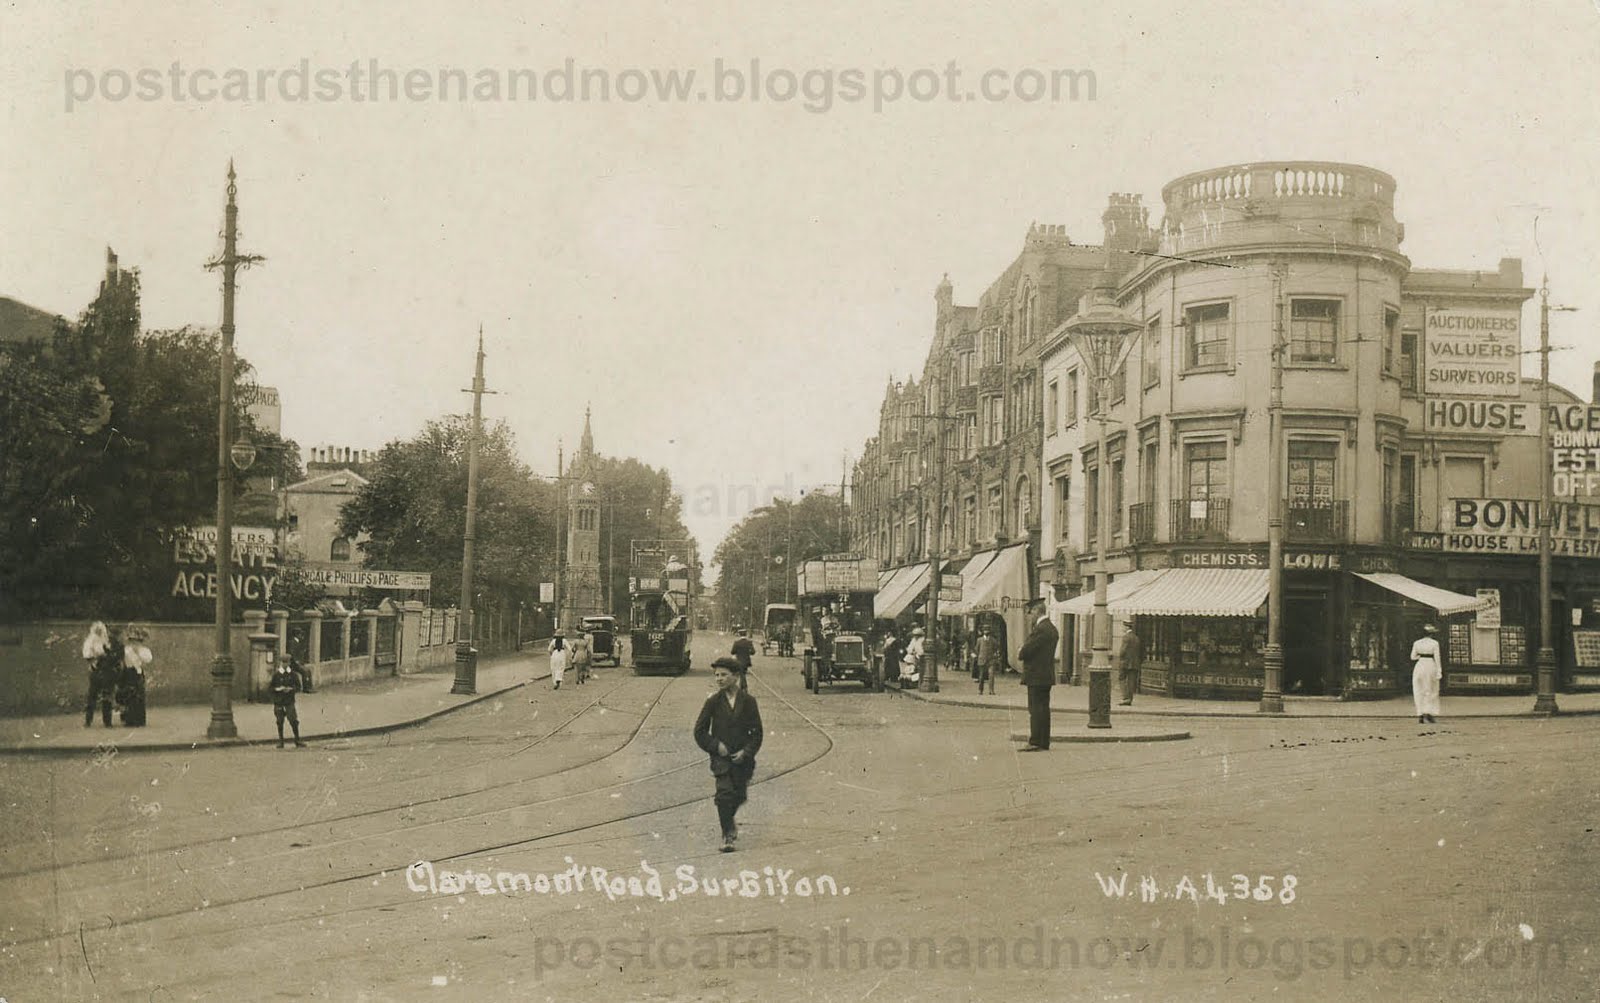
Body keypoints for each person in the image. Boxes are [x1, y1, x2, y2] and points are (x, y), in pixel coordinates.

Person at [694, 657, 764, 852]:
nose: (719, 679)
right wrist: (716, 746)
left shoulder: (749, 701)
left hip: (743, 761)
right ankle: (727, 836)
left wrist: (746, 752)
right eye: (716, 675)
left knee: (739, 796)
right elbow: (699, 731)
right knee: (724, 794)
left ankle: (729, 822)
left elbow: (757, 733)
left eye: (724, 675)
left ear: (736, 676)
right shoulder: (713, 702)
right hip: (721, 760)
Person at [1017, 598, 1059, 751]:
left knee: (1035, 709)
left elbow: (1025, 651)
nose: (1030, 616)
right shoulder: (1051, 628)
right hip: (1045, 675)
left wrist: (1021, 650)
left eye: (1031, 612)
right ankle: (1043, 741)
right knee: (1043, 709)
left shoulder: (1041, 629)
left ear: (1037, 611)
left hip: (1036, 675)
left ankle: (1035, 741)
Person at [83, 622, 122, 728]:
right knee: (93, 696)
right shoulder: (93, 641)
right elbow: (88, 654)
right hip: (97, 671)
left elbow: (115, 657)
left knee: (106, 697)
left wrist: (105, 653)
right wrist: (93, 661)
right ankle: (88, 720)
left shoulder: (110, 643)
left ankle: (107, 721)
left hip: (107, 672)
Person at [117, 624, 153, 727]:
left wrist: (138, 653)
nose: (134, 643)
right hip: (128, 672)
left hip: (137, 672)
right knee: (129, 696)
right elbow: (122, 659)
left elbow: (148, 659)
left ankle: (139, 720)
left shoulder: (143, 650)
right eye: (132, 640)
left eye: (136, 640)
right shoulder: (126, 649)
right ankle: (129, 720)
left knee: (139, 696)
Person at [270, 654, 308, 748]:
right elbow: (270, 688)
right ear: (280, 663)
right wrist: (277, 690)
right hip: (279, 701)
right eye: (283, 662)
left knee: (293, 721)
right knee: (279, 721)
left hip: (289, 701)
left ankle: (297, 740)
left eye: (286, 662)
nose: (285, 664)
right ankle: (281, 741)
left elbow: (298, 687)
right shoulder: (276, 675)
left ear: (290, 663)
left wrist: (291, 689)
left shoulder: (293, 675)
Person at [1410, 623, 1443, 724]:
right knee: (1430, 690)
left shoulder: (1417, 643)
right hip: (1430, 666)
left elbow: (1412, 657)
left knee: (1418, 689)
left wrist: (1419, 657)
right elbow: (1437, 658)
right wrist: (1439, 670)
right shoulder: (1434, 643)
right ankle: (1428, 713)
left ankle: (1420, 714)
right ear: (1431, 634)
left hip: (1419, 666)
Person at [1116, 618, 1143, 706]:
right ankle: (1129, 699)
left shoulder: (1126, 637)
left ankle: (1125, 697)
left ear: (1127, 627)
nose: (1122, 628)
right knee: (1132, 681)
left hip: (1125, 663)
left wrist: (1121, 660)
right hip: (1135, 663)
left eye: (1123, 626)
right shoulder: (1136, 638)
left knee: (1122, 679)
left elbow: (1122, 651)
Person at [976, 622, 1000, 696]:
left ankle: (991, 690)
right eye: (985, 630)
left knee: (991, 675)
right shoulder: (979, 640)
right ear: (983, 631)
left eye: (988, 630)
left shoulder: (993, 640)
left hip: (991, 660)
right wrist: (978, 656)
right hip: (982, 659)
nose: (986, 632)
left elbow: (996, 649)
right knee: (981, 676)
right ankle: (980, 690)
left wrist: (995, 655)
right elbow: (977, 649)